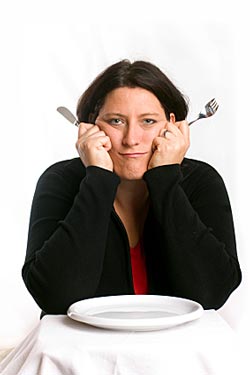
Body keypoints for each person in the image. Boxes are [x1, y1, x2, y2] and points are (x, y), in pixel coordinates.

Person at [22, 60, 241, 315]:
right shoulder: (60, 180)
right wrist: (98, 178)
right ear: (92, 126)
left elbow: (211, 294)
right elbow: (56, 298)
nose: (131, 139)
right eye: (116, 121)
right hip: (81, 350)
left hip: (177, 349)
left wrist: (165, 179)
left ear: (171, 125)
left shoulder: (202, 181)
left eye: (148, 121)